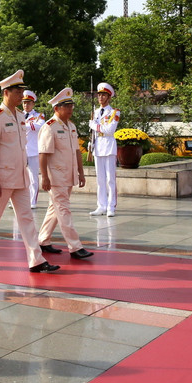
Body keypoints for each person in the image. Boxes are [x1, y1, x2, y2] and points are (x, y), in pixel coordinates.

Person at [0, 70, 58, 274]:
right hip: (2, 177)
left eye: (22, 91)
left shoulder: (20, 115)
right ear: (6, 92)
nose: (22, 96)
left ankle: (36, 259)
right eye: (18, 91)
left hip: (21, 176)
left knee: (27, 217)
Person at [37, 87, 94, 260]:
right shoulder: (49, 127)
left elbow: (77, 151)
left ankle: (42, 240)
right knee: (63, 210)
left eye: (71, 106)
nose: (70, 109)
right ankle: (75, 246)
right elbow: (43, 154)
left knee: (55, 209)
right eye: (66, 106)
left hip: (68, 176)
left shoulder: (71, 126)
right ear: (56, 108)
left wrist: (81, 173)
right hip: (55, 177)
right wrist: (45, 177)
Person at [89, 82, 120, 216]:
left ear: (109, 97)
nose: (100, 97)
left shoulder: (114, 112)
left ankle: (111, 206)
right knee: (100, 179)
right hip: (98, 146)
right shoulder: (95, 112)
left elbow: (110, 130)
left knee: (110, 179)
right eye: (99, 94)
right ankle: (101, 205)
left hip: (108, 145)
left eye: (103, 95)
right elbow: (94, 131)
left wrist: (94, 126)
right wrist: (91, 143)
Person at [22, 90, 45, 208]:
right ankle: (19, 200)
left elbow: (39, 126)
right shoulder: (18, 114)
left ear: (33, 104)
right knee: (19, 176)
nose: (26, 105)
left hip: (33, 150)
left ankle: (32, 201)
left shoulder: (38, 116)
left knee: (33, 177)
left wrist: (23, 125)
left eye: (28, 103)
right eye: (24, 103)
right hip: (21, 150)